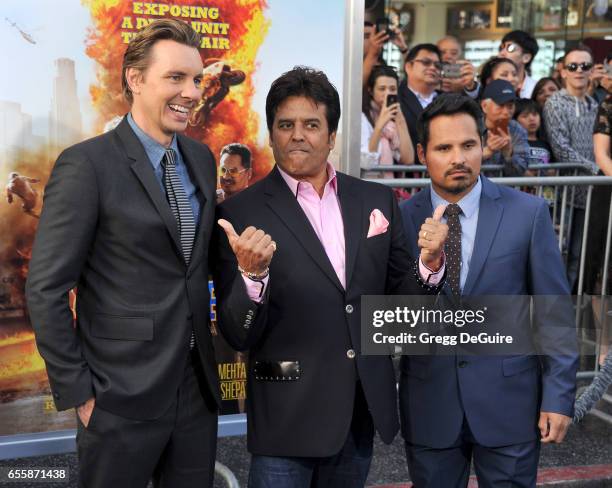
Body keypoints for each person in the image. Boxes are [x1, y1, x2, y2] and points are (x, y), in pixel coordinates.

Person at [214, 66, 447, 488]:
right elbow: (236, 334)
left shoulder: (375, 200)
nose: (298, 135)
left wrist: (429, 266)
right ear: (271, 134)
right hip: (285, 415)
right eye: (286, 125)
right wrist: (252, 277)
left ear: (332, 135)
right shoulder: (238, 213)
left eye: (311, 124)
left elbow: (402, 309)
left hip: (358, 412)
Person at [25, 19, 220, 488]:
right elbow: (46, 288)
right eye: (175, 78)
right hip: (119, 397)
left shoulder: (201, 159)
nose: (191, 92)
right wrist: (81, 393)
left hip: (196, 393)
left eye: (196, 79)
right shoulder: (87, 164)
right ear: (135, 79)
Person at [399, 93, 579, 488]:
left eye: (468, 145)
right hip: (430, 403)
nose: (458, 158)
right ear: (422, 153)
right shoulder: (400, 219)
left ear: (483, 145)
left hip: (510, 403)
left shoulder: (527, 214)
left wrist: (558, 396)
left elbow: (554, 311)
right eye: (443, 148)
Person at [543, 45, 599, 290]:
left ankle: (570, 313)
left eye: (585, 66)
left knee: (579, 254)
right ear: (563, 71)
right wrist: (598, 169)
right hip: (564, 193)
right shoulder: (555, 103)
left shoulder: (594, 105)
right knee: (559, 254)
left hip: (590, 193)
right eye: (572, 66)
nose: (579, 71)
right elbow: (561, 148)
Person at [583, 92, 612, 364]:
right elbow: (601, 153)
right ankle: (604, 346)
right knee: (601, 271)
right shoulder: (609, 102)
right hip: (610, 193)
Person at [361, 65, 414, 180]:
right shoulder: (362, 117)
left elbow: (408, 159)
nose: (387, 93)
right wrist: (380, 124)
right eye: (382, 89)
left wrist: (401, 121)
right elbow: (366, 161)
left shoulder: (393, 122)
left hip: (388, 187)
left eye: (392, 89)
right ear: (371, 90)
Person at [480, 79, 529, 175]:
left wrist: (508, 154)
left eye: (510, 106)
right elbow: (459, 161)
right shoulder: (470, 126)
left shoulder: (517, 130)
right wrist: (486, 152)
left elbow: (520, 171)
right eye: (500, 105)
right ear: (484, 106)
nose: (506, 112)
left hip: (504, 189)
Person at [399, 43, 442, 150]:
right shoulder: (396, 99)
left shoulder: (449, 100)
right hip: (409, 165)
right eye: (426, 62)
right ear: (409, 67)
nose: (432, 68)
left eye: (437, 65)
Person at [498, 30, 539, 98]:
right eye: (501, 48)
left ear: (526, 58)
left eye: (510, 48)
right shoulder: (492, 85)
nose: (502, 53)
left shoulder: (536, 89)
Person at [514, 98, 554, 167]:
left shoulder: (547, 145)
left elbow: (553, 168)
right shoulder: (513, 144)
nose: (532, 119)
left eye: (535, 114)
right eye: (525, 116)